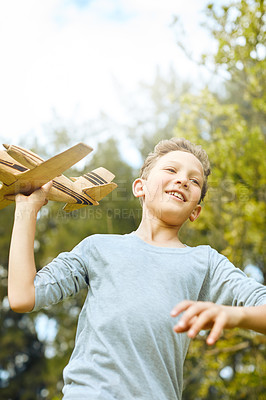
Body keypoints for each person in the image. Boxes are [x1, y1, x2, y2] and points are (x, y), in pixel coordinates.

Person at [7, 138, 266, 400]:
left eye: (194, 180)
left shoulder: (206, 262)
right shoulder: (96, 248)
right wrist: (26, 210)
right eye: (171, 170)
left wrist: (236, 315)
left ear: (195, 211)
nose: (183, 180)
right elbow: (23, 296)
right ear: (139, 187)